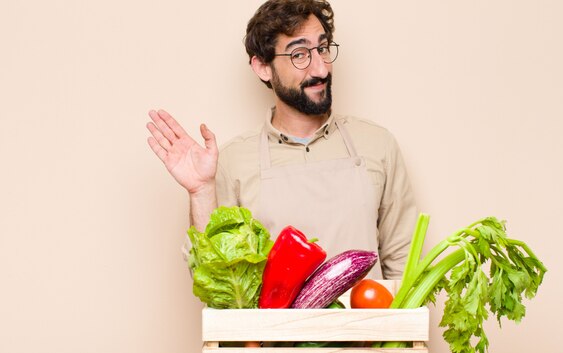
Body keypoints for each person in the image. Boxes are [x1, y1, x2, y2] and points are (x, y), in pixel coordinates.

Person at [146, 0, 417, 279]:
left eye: (322, 49)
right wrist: (201, 191)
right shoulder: (231, 162)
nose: (321, 69)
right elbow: (216, 280)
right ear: (263, 67)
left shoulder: (378, 144)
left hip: (368, 323)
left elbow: (404, 266)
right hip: (272, 326)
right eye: (299, 54)